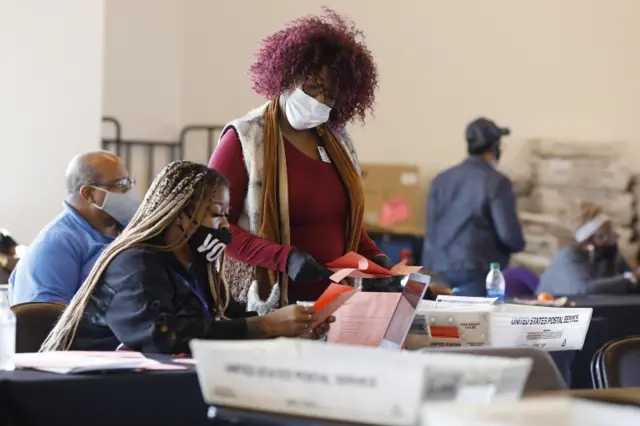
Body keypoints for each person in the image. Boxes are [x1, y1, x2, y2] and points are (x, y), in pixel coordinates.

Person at [209, 9, 444, 310]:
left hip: (336, 306)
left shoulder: (338, 143)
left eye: (330, 96)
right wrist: (284, 257)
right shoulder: (244, 140)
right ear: (288, 74)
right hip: (266, 309)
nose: (319, 101)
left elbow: (347, 223)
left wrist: (378, 259)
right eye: (313, 86)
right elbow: (213, 225)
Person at [40, 162, 332, 353]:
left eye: (225, 215)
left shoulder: (192, 265)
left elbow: (232, 317)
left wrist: (289, 329)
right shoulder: (135, 263)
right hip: (92, 391)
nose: (224, 226)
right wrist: (266, 326)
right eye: (216, 213)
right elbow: (164, 336)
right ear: (180, 216)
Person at [9, 151, 140, 305]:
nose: (129, 192)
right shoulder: (55, 246)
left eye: (130, 183)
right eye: (121, 185)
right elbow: (46, 321)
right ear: (89, 193)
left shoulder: (127, 231)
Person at [423, 117, 525, 296]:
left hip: (437, 271)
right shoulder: (497, 182)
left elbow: (431, 231)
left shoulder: (440, 180)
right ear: (494, 147)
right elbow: (510, 236)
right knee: (474, 324)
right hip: (477, 275)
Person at [537, 202, 640, 296]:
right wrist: (631, 279)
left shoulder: (611, 257)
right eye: (603, 236)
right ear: (586, 242)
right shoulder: (566, 258)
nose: (612, 239)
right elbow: (583, 291)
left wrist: (634, 279)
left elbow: (633, 281)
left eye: (612, 233)